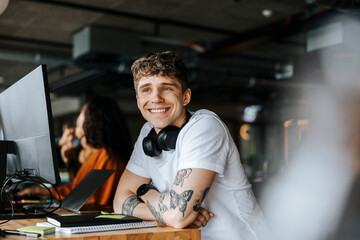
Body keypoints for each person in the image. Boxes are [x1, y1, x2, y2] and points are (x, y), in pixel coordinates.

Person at [113, 51, 271, 239]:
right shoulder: (147, 133)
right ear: (138, 101)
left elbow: (179, 217)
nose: (155, 98)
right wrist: (168, 214)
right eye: (146, 89)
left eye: (166, 88)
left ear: (185, 97)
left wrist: (145, 193)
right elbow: (119, 202)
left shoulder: (204, 126)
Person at [18, 95, 132, 207]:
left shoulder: (106, 158)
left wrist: (41, 191)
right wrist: (69, 162)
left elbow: (83, 199)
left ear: (94, 120)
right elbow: (79, 188)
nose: (77, 118)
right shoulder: (96, 155)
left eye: (83, 112)